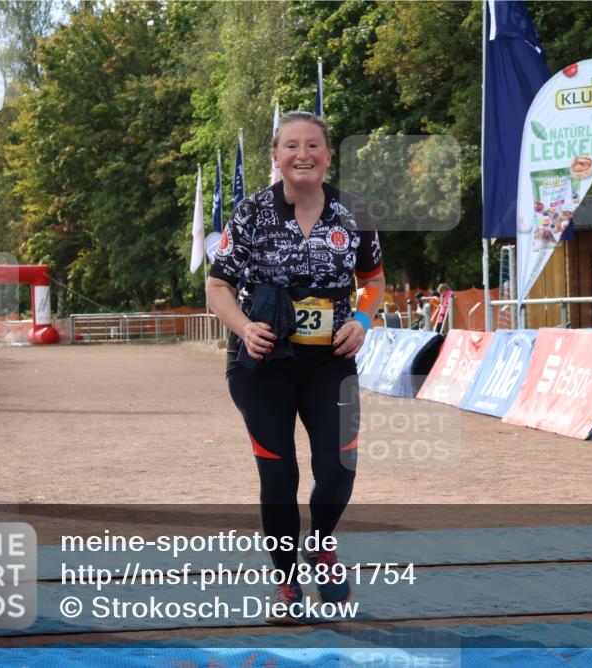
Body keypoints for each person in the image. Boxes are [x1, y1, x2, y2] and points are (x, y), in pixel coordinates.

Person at [207, 111, 384, 624]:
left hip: (331, 359)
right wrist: (243, 327)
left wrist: (363, 319)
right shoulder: (251, 213)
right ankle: (287, 587)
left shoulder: (354, 213)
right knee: (278, 474)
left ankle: (322, 547)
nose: (302, 154)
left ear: (329, 156)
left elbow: (373, 280)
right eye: (291, 146)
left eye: (313, 146)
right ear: (275, 157)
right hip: (262, 361)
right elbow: (217, 286)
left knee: (337, 469)